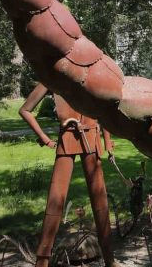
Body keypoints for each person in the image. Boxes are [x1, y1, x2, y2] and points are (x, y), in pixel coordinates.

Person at [19, 83, 117, 267]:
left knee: (100, 201)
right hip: (67, 140)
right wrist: (45, 139)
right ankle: (42, 261)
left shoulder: (91, 75)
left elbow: (104, 111)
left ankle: (109, 258)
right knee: (55, 201)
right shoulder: (51, 77)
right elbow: (24, 110)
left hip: (91, 141)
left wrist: (108, 143)